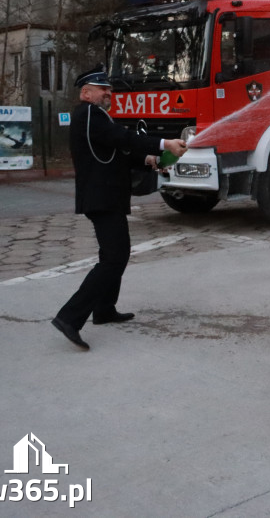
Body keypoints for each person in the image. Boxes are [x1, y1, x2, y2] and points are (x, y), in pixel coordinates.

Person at [51, 66, 187, 351]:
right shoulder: (89, 114)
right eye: (103, 90)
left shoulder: (96, 118)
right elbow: (123, 139)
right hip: (101, 198)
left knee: (114, 255)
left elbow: (116, 152)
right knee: (114, 258)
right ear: (86, 93)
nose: (109, 94)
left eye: (109, 90)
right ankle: (69, 317)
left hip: (106, 197)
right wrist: (164, 143)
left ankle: (104, 309)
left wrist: (150, 159)